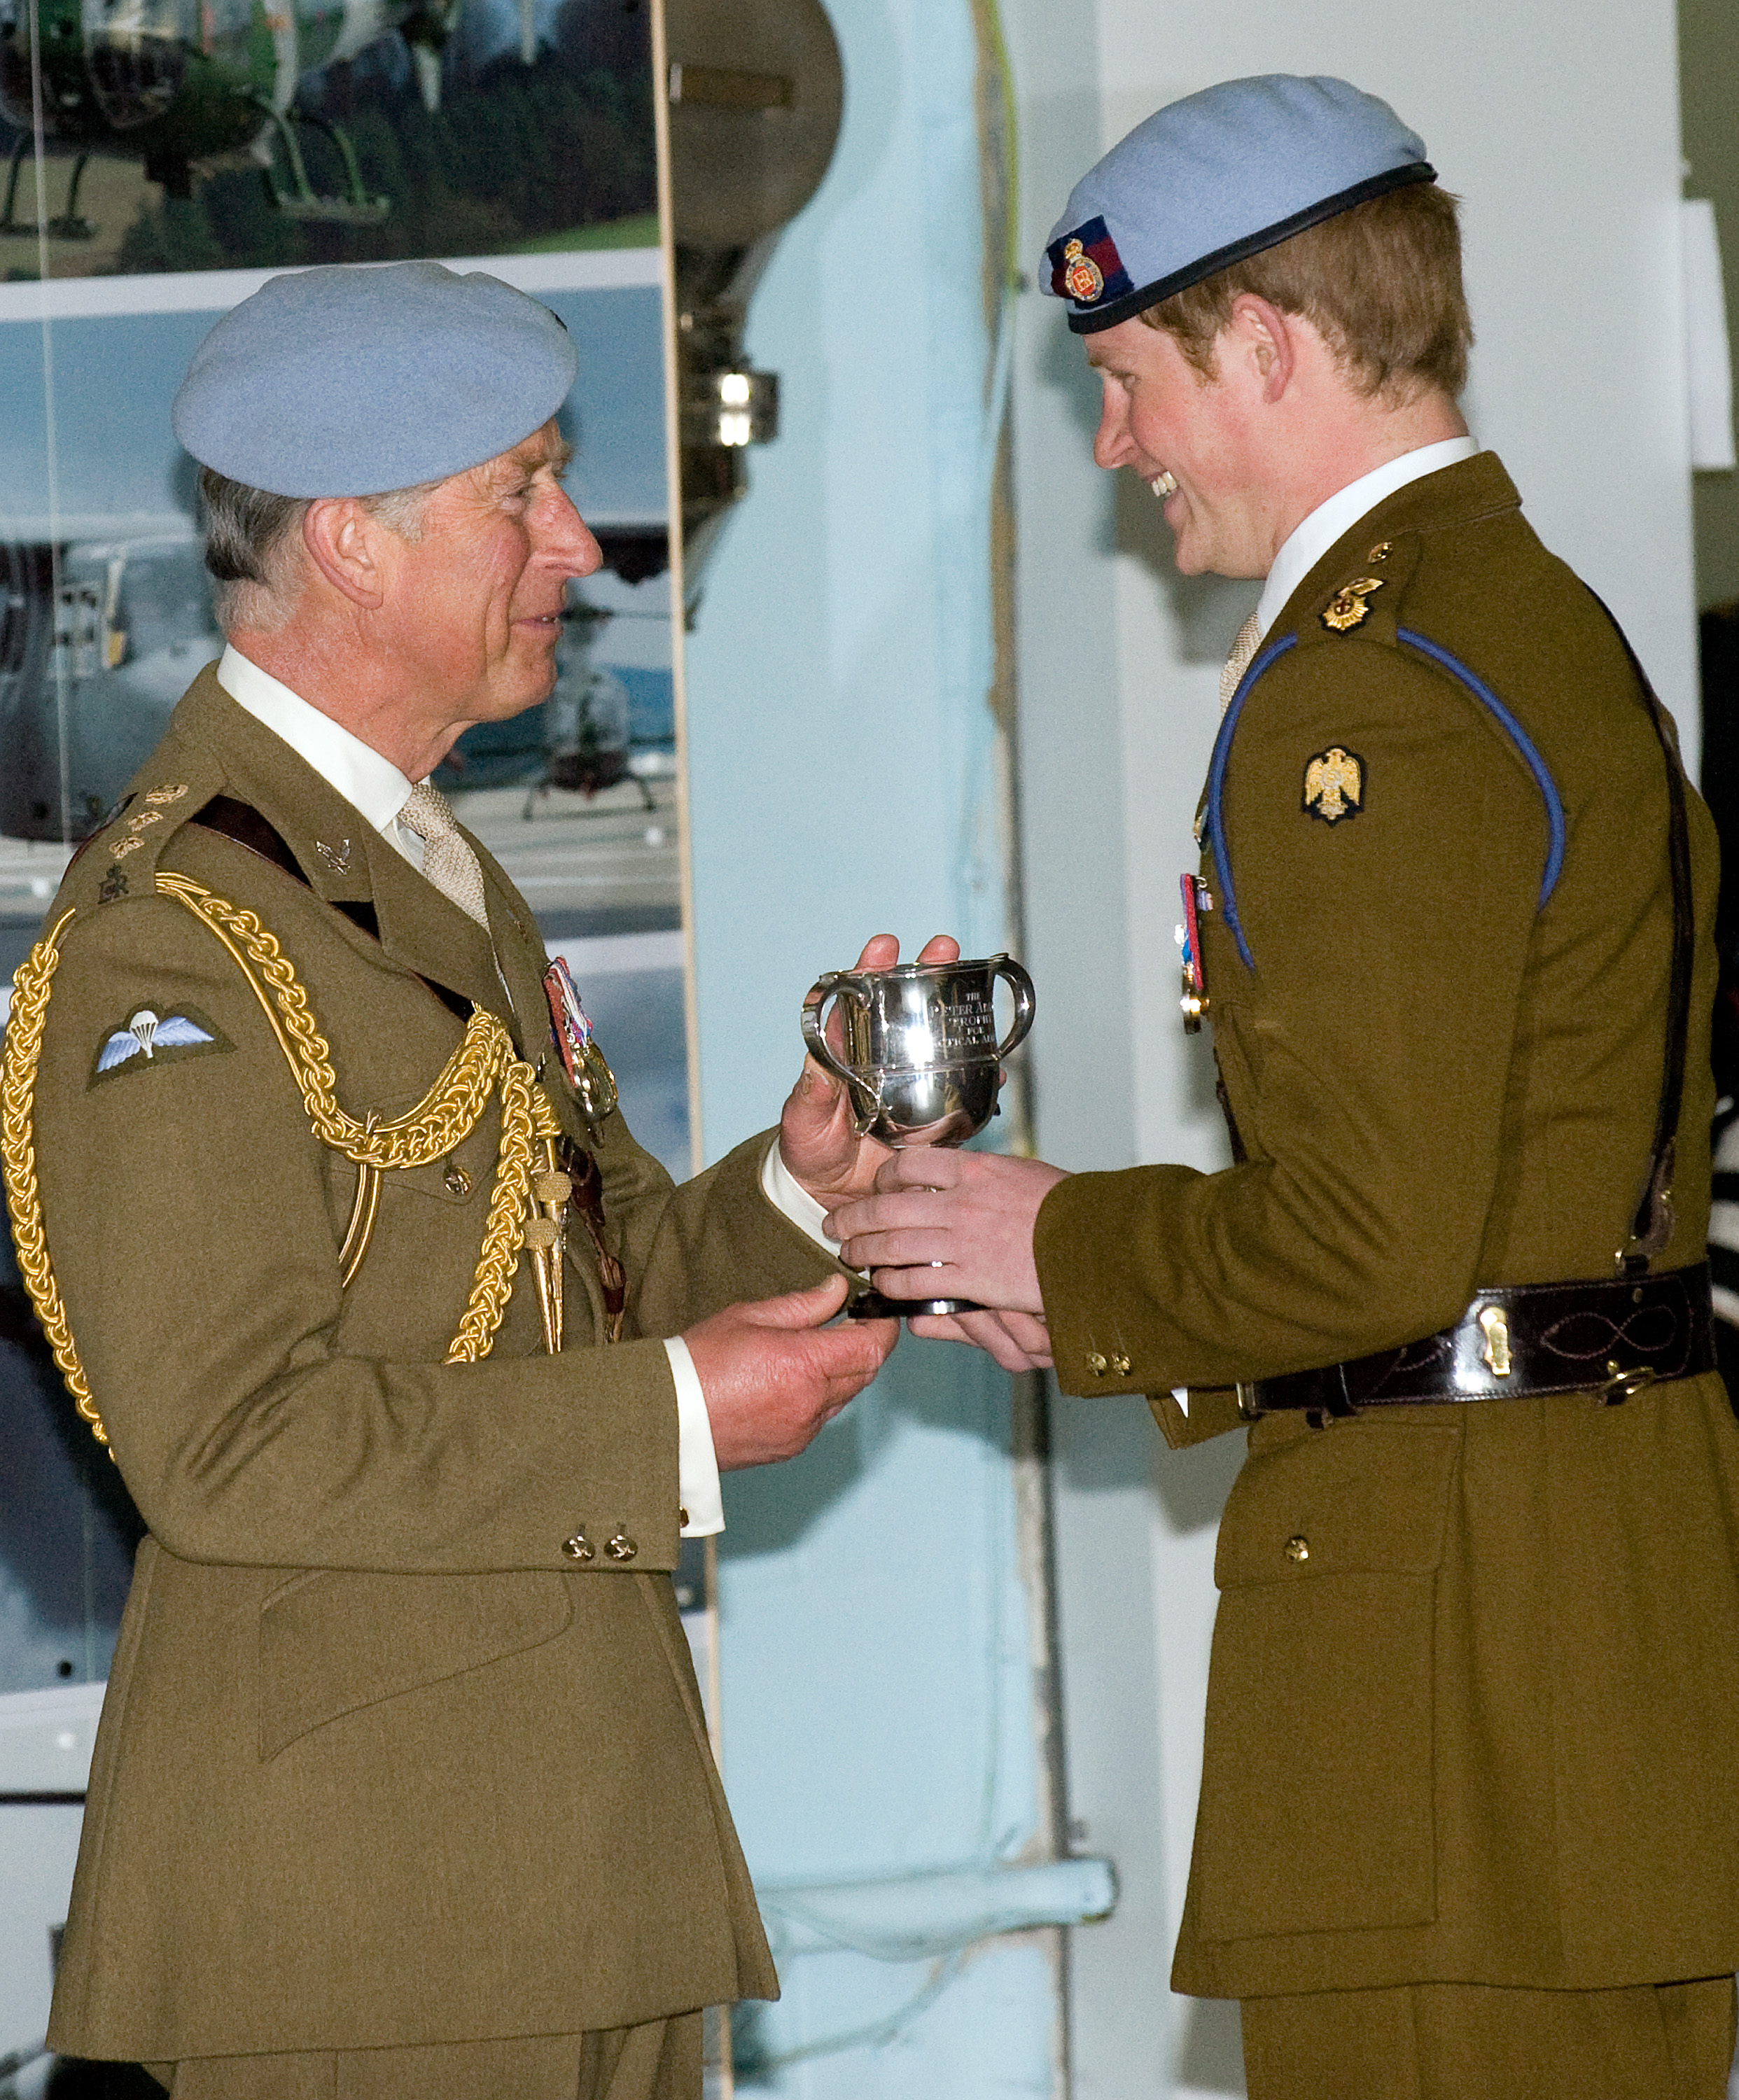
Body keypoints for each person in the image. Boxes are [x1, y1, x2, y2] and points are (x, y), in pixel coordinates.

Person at [830, 75, 1739, 2099]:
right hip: (1582, 1632)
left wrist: (1054, 1227)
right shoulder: (1525, 613)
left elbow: (1372, 1234)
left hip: (1455, 1713)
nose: (1116, 439)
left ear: (1263, 344)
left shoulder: (1353, 687)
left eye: (1130, 374)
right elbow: (1501, 1212)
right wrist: (1108, 1297)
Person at [5, 260, 912, 2100]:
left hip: (574, 1859)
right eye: (522, 489)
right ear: (349, 539)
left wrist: (802, 1186)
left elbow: (591, 1265)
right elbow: (231, 1446)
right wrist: (675, 1414)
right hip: (364, 1918)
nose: (576, 543)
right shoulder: (170, 936)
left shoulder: (413, 878)